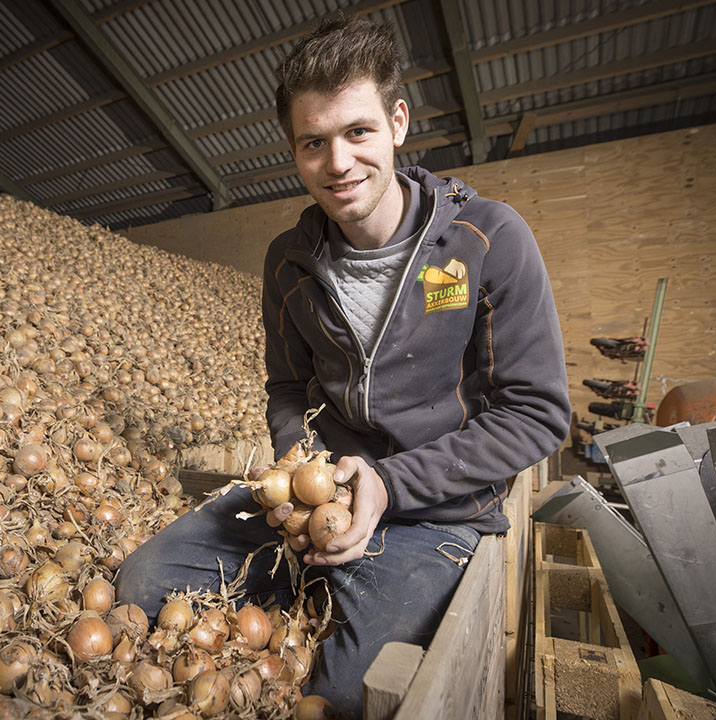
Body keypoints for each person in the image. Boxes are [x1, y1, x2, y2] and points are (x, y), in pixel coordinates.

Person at [115, 14, 570, 716]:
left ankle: (314, 593)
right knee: (139, 584)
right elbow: (287, 388)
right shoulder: (288, 262)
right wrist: (300, 472)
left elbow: (536, 415)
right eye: (314, 143)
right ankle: (298, 585)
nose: (339, 163)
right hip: (319, 501)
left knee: (348, 699)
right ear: (294, 151)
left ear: (397, 122)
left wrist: (387, 485)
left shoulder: (488, 238)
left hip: (434, 515)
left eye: (358, 132)